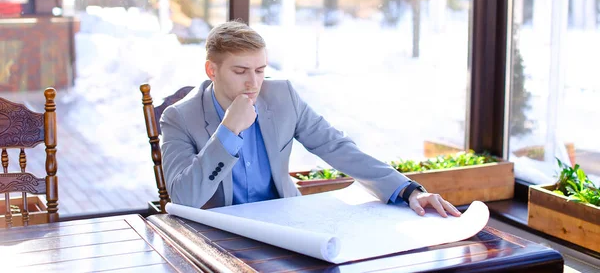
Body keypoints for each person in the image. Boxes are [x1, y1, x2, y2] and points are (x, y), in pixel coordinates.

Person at [160, 21, 461, 218]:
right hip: (217, 235)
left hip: (284, 223)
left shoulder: (282, 97)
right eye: (240, 72)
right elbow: (184, 197)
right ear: (211, 71)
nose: (253, 83)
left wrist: (408, 190)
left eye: (260, 70)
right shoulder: (179, 118)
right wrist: (228, 131)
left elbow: (336, 146)